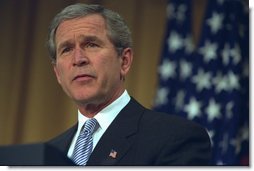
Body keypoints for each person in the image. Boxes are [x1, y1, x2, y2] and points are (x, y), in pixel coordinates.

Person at [0, 3, 211, 166]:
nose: (78, 59)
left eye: (91, 44)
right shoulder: (48, 153)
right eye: (66, 49)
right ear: (57, 73)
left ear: (125, 61)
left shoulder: (175, 138)